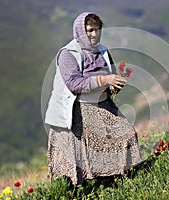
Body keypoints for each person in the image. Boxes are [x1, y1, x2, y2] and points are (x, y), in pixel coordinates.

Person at [44, 12, 142, 186]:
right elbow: (74, 84)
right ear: (80, 31)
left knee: (127, 134)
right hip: (78, 107)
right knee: (81, 153)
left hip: (103, 104)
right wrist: (104, 80)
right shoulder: (68, 54)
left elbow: (110, 75)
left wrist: (113, 85)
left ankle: (113, 179)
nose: (94, 34)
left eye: (97, 30)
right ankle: (77, 189)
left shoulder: (103, 51)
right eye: (90, 30)